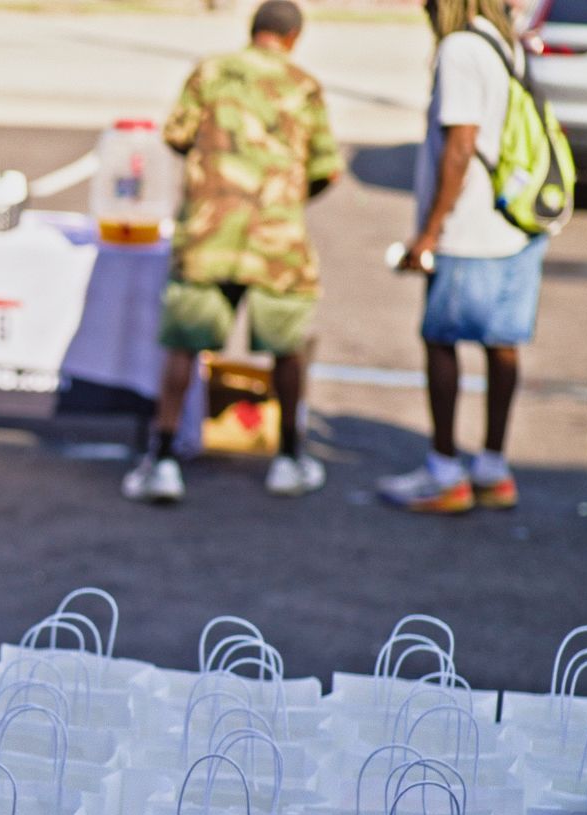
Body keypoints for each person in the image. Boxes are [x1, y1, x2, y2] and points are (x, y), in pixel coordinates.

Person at [122, 0, 338, 505]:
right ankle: (288, 458)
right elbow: (327, 166)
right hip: (276, 239)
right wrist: (283, 197)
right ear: (292, 39)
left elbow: (177, 134)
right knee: (286, 347)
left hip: (208, 231)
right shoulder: (303, 84)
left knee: (185, 344)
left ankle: (164, 460)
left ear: (254, 31)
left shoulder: (211, 71)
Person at [378, 0, 545, 515]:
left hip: (469, 227)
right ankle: (493, 467)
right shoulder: (506, 43)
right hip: (516, 223)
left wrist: (429, 232)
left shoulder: (459, 49)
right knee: (502, 344)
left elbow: (461, 146)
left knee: (441, 340)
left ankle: (445, 469)